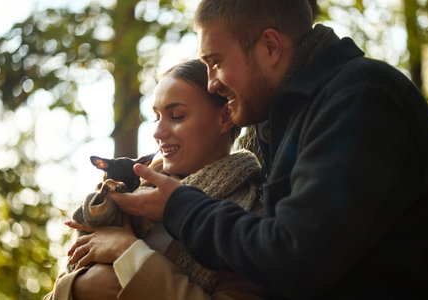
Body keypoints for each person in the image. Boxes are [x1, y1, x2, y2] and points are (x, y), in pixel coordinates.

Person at [108, 0, 428, 299]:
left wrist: (179, 206)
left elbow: (297, 259)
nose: (212, 82)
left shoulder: (362, 99)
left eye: (216, 62)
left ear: (270, 46)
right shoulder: (279, 123)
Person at [44, 59, 267, 300]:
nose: (157, 133)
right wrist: (76, 288)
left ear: (225, 117)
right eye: (157, 117)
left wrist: (127, 251)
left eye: (177, 116)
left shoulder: (253, 219)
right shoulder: (129, 191)